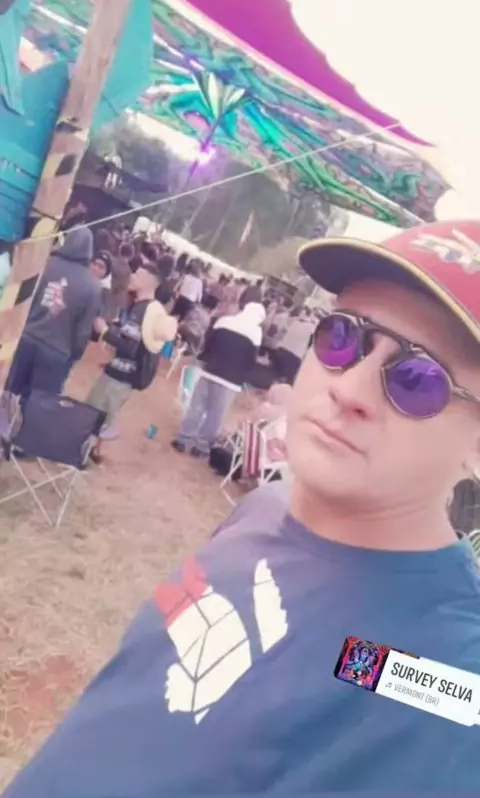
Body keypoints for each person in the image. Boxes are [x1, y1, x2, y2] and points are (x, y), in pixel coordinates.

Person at [6, 218, 480, 794]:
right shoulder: (264, 506)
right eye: (342, 337)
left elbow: (383, 676)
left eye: (417, 380)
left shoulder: (446, 673)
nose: (350, 389)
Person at [87, 264, 177, 464]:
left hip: (121, 375)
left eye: (138, 274)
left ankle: (84, 451)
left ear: (148, 282)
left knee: (96, 411)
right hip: (127, 373)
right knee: (107, 412)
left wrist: (104, 331)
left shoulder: (141, 310)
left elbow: (128, 345)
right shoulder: (149, 309)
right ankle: (94, 450)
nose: (133, 276)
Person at [5, 226, 101, 401]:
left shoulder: (45, 264)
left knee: (8, 395)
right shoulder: (92, 286)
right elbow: (83, 332)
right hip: (56, 353)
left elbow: (25, 300)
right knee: (37, 406)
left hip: (26, 339)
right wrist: (73, 357)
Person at [172, 302, 265, 458]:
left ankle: (183, 439)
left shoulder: (225, 321)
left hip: (209, 371)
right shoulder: (256, 332)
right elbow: (250, 362)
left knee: (196, 407)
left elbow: (207, 345)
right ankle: (201, 447)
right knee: (215, 414)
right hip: (230, 381)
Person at [272, 306, 316, 384]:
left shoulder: (292, 321)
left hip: (282, 350)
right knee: (286, 382)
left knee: (274, 377)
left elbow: (280, 331)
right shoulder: (312, 328)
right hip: (294, 355)